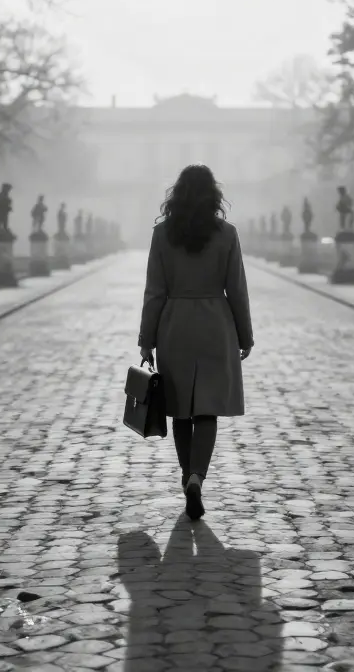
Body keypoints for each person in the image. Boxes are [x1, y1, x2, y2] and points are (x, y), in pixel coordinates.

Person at [138, 164, 254, 521]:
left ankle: (186, 474)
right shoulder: (227, 234)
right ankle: (196, 477)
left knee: (180, 411)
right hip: (216, 326)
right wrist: (245, 335)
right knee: (207, 409)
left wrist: (146, 339)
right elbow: (236, 289)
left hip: (175, 326)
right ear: (213, 197)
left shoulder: (162, 235)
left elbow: (154, 292)